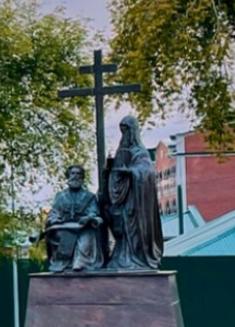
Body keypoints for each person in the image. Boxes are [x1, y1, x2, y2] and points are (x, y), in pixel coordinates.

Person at [102, 115, 164, 271]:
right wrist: (110, 171)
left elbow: (147, 172)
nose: (124, 135)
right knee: (119, 225)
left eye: (126, 131)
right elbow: (114, 177)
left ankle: (136, 259)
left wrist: (130, 172)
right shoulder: (121, 151)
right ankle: (120, 258)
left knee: (133, 229)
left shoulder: (140, 152)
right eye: (122, 131)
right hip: (123, 199)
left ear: (132, 131)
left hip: (136, 200)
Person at [44, 165, 102, 272]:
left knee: (85, 240)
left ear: (82, 177)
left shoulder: (89, 196)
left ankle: (81, 264)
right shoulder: (61, 196)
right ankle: (62, 263)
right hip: (63, 227)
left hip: (82, 227)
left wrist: (88, 217)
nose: (75, 176)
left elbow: (94, 212)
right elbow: (54, 213)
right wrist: (55, 219)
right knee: (57, 236)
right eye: (73, 173)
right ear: (68, 176)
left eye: (78, 174)